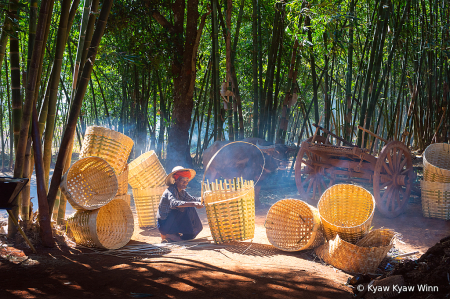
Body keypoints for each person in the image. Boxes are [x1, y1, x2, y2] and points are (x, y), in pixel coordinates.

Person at [156, 166, 204, 242]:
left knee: (195, 231)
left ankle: (179, 235)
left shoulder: (182, 192)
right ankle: (168, 234)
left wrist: (204, 198)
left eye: (187, 180)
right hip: (165, 225)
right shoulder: (170, 190)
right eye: (182, 180)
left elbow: (193, 199)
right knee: (187, 207)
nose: (185, 183)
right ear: (176, 180)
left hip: (171, 223)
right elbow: (174, 203)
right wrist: (194, 204)